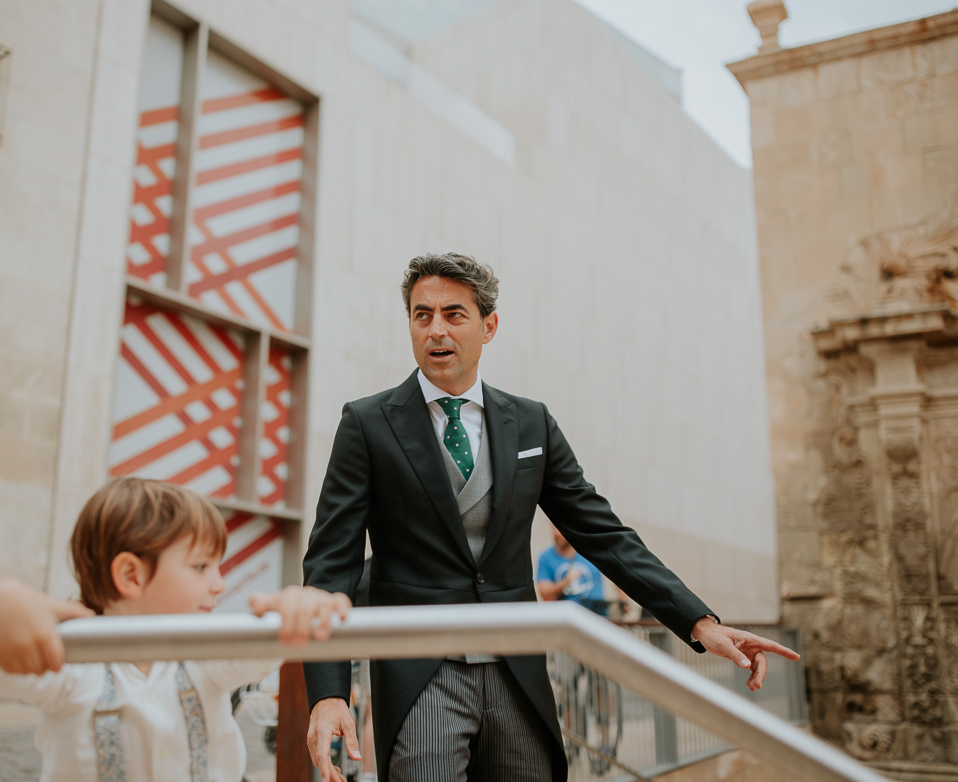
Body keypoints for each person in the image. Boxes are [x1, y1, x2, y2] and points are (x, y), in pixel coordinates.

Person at [301, 252, 800, 782]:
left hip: (516, 668)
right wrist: (329, 692)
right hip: (420, 669)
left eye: (453, 314)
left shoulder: (531, 422)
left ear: (488, 326)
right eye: (422, 315)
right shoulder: (367, 423)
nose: (436, 330)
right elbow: (331, 564)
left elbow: (602, 533)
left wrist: (699, 622)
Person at [0, 476, 352, 782]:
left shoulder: (206, 657)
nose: (218, 584)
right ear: (131, 575)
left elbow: (270, 643)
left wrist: (298, 606)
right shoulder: (71, 663)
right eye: (201, 567)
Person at [537, 528, 607, 615]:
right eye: (554, 529)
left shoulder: (592, 551)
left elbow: (616, 569)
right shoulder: (546, 557)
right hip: (566, 620)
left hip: (597, 616)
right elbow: (545, 593)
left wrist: (622, 601)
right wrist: (566, 581)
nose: (557, 533)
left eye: (560, 528)